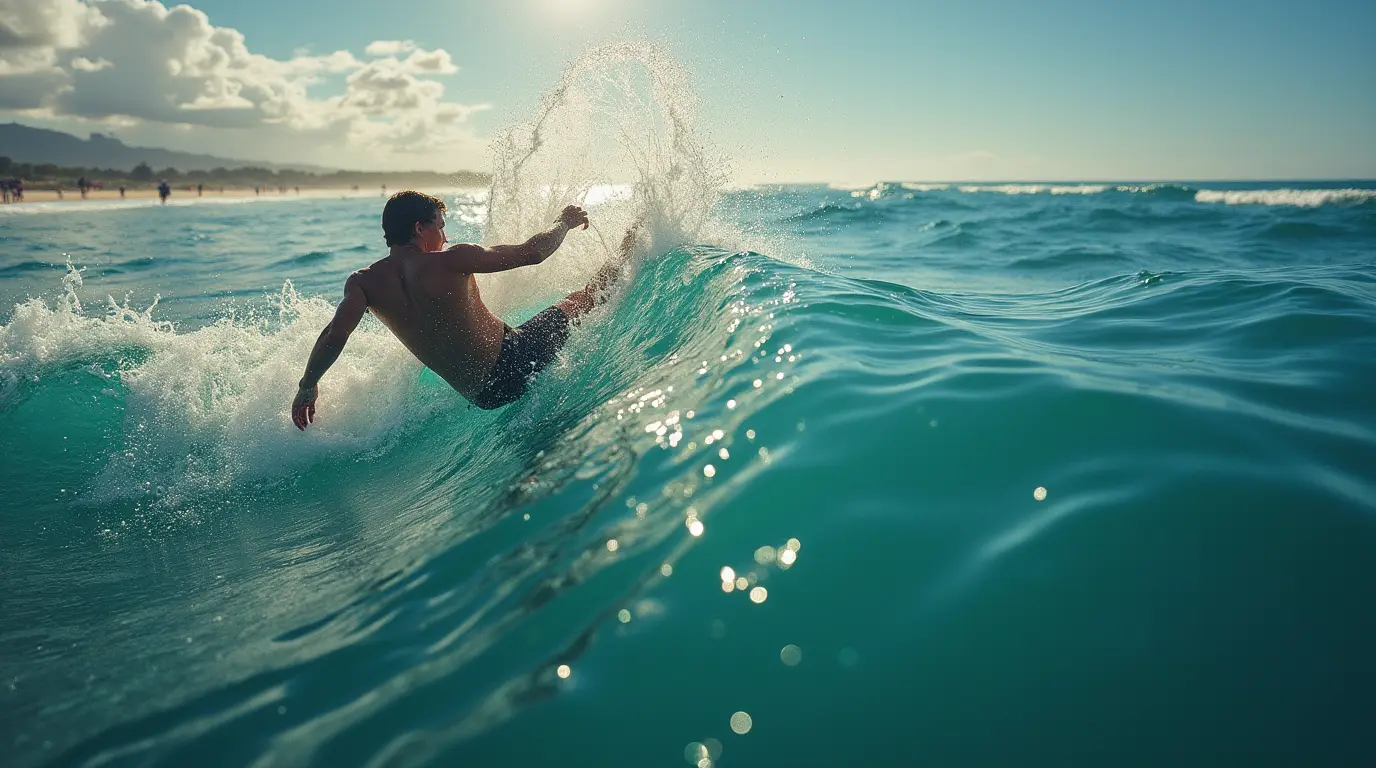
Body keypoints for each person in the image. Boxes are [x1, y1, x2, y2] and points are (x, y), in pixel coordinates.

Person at [291, 191, 637, 428]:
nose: (444, 234)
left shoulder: (363, 283)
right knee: (584, 298)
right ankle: (636, 245)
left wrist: (308, 385)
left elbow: (335, 334)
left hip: (482, 395)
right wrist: (563, 221)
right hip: (514, 360)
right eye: (440, 226)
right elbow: (534, 253)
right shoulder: (453, 259)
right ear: (419, 228)